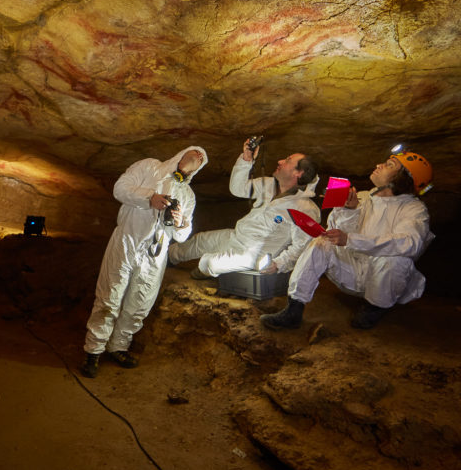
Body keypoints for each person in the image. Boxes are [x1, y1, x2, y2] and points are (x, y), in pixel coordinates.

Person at [261, 149, 434, 330]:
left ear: (403, 178)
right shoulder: (364, 197)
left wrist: (351, 240)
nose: (378, 165)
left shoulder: (414, 209)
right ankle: (294, 309)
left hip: (384, 281)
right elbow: (337, 232)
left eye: (388, 165)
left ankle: (374, 308)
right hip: (352, 272)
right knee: (322, 242)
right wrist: (348, 211)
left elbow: (409, 243)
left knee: (396, 259)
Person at [81, 147, 208, 378]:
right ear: (180, 153)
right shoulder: (150, 166)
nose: (197, 157)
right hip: (127, 241)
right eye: (194, 152)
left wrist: (179, 223)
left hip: (156, 253)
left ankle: (118, 346)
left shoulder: (188, 195)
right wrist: (149, 198)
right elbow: (120, 188)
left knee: (140, 302)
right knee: (110, 295)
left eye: (201, 159)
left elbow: (182, 235)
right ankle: (94, 350)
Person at [169, 140, 320, 279]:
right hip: (237, 236)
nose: (280, 161)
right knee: (199, 240)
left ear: (298, 173)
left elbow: (302, 245)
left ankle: (204, 271)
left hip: (254, 255)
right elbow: (238, 188)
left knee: (210, 263)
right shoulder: (268, 184)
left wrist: (279, 264)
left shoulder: (305, 209)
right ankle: (165, 257)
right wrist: (246, 160)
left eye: (287, 161)